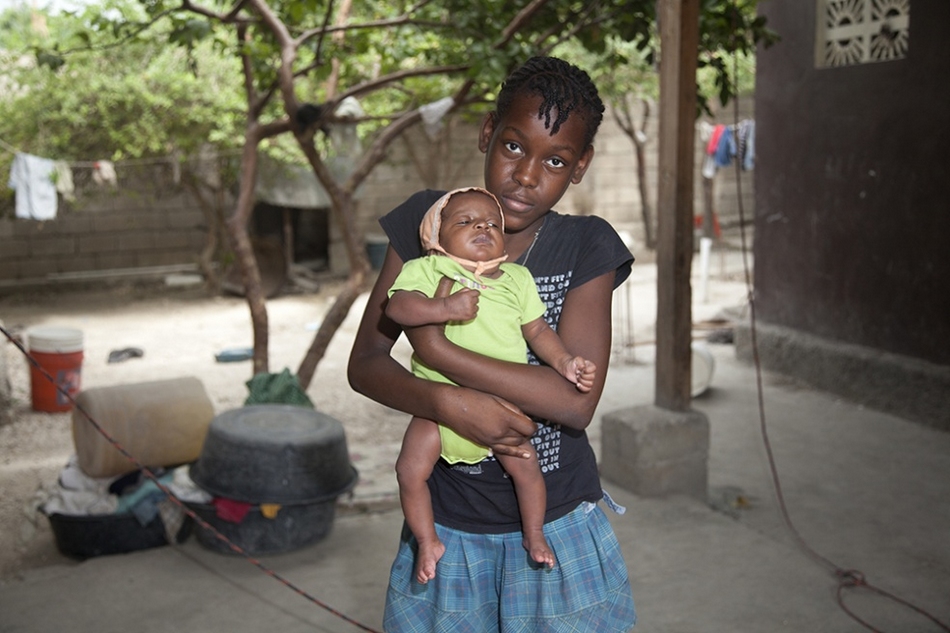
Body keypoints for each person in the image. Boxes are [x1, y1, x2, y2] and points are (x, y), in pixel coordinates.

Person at [348, 55, 637, 632]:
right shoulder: (428, 225)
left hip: (556, 522)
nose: (527, 175)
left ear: (579, 167)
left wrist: (440, 354)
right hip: (448, 525)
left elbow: (574, 400)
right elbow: (366, 364)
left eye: (555, 160)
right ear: (487, 133)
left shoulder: (587, 246)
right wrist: (448, 404)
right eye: (512, 147)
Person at [387, 186, 597, 585]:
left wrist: (565, 361)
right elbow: (398, 307)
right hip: (438, 408)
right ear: (436, 237)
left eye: (492, 223)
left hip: (503, 407)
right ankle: (427, 540)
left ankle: (534, 535)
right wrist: (443, 308)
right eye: (465, 222)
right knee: (409, 470)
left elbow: (537, 330)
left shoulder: (517, 279)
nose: (482, 227)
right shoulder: (428, 271)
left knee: (527, 470)